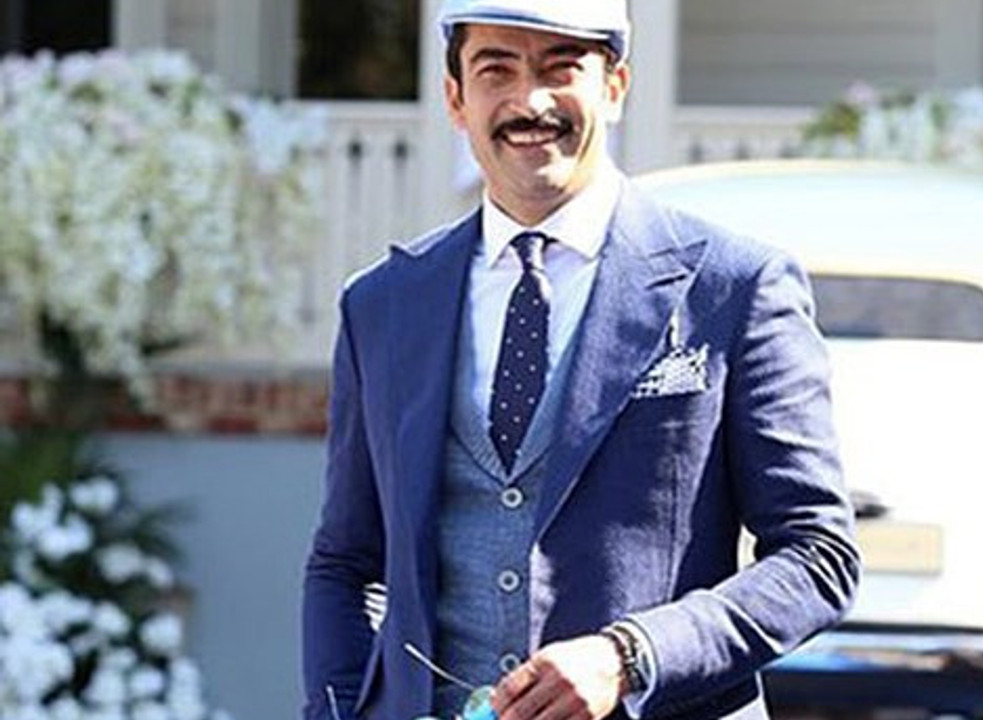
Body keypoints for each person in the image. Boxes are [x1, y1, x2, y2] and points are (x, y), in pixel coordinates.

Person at [300, 2, 861, 719]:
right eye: (496, 70)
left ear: (615, 86)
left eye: (560, 67)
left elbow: (816, 556)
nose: (530, 101)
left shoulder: (735, 286)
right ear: (455, 99)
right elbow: (347, 564)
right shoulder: (382, 304)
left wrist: (632, 657)